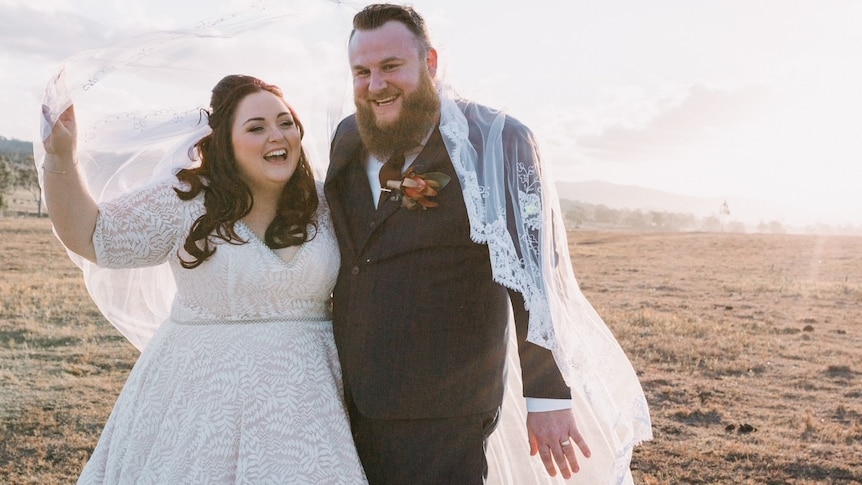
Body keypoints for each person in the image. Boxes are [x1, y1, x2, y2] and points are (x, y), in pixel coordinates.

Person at [324, 4, 652, 484]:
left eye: (391, 67)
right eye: (362, 72)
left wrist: (547, 395)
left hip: (443, 404)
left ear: (430, 63)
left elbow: (534, 275)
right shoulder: (347, 136)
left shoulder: (498, 141)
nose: (376, 85)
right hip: (343, 393)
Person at [39, 74, 367, 484]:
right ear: (224, 142)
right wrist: (60, 159)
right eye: (256, 127)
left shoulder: (324, 203)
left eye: (285, 122)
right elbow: (92, 236)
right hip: (201, 404)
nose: (276, 136)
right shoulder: (187, 202)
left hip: (310, 404)